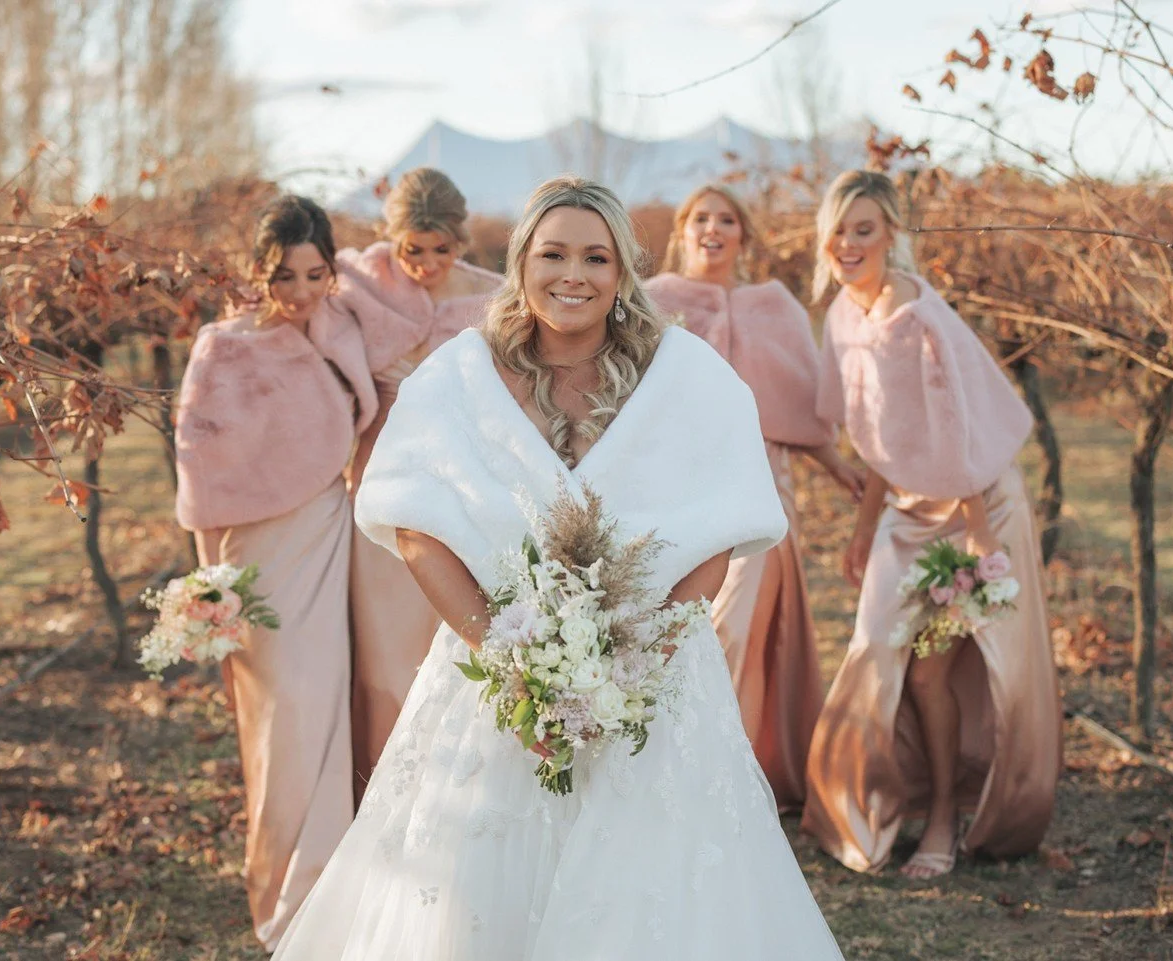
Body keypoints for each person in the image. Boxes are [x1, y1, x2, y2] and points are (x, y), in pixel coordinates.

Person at [271, 177, 847, 960]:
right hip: (496, 682)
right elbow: (415, 527)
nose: (572, 274)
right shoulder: (458, 377)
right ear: (520, 262)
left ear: (622, 273)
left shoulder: (685, 375)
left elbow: (721, 529)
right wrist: (509, 662)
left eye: (595, 256)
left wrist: (639, 660)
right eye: (552, 254)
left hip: (656, 680)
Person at [801, 170, 1061, 879]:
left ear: (891, 235)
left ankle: (945, 817)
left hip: (974, 507)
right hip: (904, 509)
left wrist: (978, 538)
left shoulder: (916, 314)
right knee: (874, 641)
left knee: (930, 670)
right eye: (838, 229)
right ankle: (854, 802)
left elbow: (956, 430)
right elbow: (882, 437)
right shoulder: (841, 318)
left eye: (864, 229)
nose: (848, 243)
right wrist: (862, 529)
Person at [173, 195, 379, 949]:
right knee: (283, 717)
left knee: (334, 708)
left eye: (315, 272)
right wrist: (209, 587)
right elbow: (197, 480)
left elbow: (435, 290)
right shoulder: (222, 346)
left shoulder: (345, 327)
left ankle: (336, 887)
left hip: (332, 532)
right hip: (254, 560)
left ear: (334, 268)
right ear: (258, 272)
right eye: (283, 275)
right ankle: (285, 898)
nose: (298, 291)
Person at [646, 183, 862, 810]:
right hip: (674, 494)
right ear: (683, 230)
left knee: (734, 628)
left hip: (760, 490)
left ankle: (723, 783)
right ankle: (667, 773)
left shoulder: (775, 307)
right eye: (701, 218)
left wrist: (839, 468)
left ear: (744, 234)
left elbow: (796, 405)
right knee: (674, 630)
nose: (713, 229)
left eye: (727, 219)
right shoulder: (653, 303)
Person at [315, 167, 503, 797]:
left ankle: (462, 787)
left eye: (440, 249)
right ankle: (385, 792)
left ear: (461, 240)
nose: (425, 263)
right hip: (381, 477)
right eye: (410, 249)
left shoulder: (493, 296)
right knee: (386, 641)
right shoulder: (357, 285)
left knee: (454, 632)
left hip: (464, 481)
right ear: (389, 239)